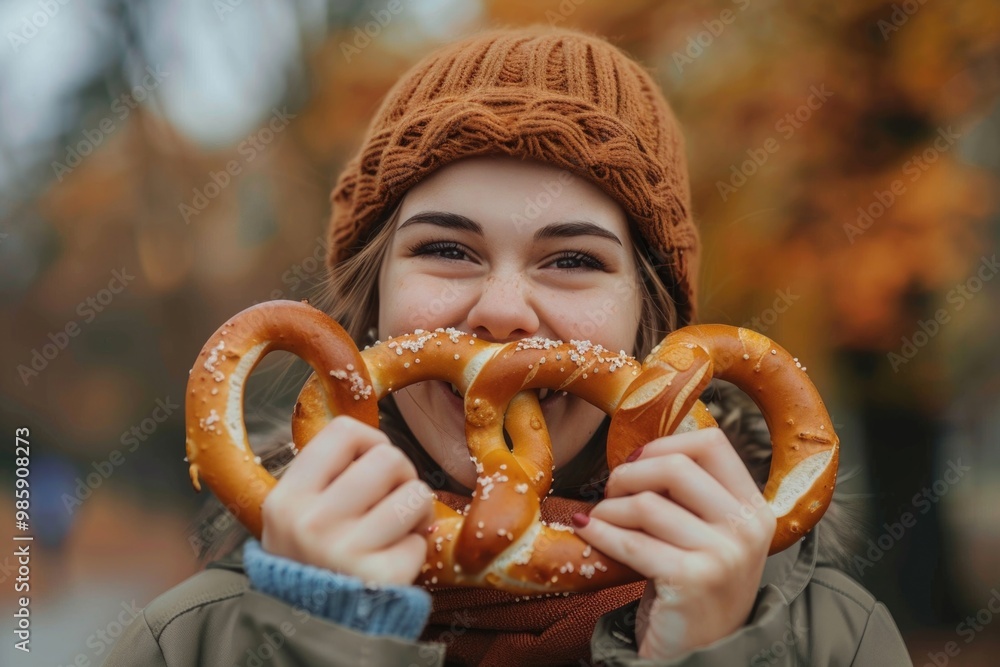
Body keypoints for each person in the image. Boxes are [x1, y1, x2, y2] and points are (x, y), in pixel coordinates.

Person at [103, 25, 913, 666]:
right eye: (448, 250)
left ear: (651, 324)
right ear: (369, 303)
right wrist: (318, 640)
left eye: (572, 260)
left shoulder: (830, 641)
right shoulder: (191, 644)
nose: (501, 313)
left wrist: (719, 656)